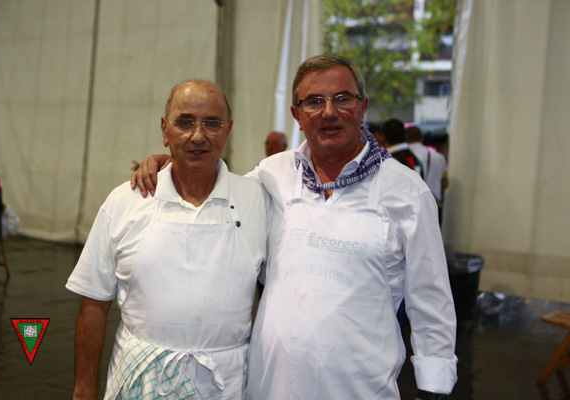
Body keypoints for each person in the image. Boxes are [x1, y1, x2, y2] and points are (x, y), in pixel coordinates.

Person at [132, 55, 457, 400]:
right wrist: (172, 164)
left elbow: (431, 298)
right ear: (297, 115)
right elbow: (216, 190)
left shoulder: (407, 192)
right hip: (270, 387)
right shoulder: (272, 174)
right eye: (314, 102)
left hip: (361, 389)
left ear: (362, 108)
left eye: (342, 99)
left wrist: (432, 390)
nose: (328, 112)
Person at [66, 80, 268, 400]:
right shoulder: (126, 201)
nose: (198, 136)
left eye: (212, 123)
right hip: (139, 382)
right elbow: (93, 303)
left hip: (225, 387)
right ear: (165, 129)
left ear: (228, 131)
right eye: (184, 122)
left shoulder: (257, 200)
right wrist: (83, 391)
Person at [406, 125, 449, 225]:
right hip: (434, 205)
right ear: (422, 138)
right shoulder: (439, 157)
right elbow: (445, 183)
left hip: (410, 207)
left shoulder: (403, 157)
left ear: (405, 138)